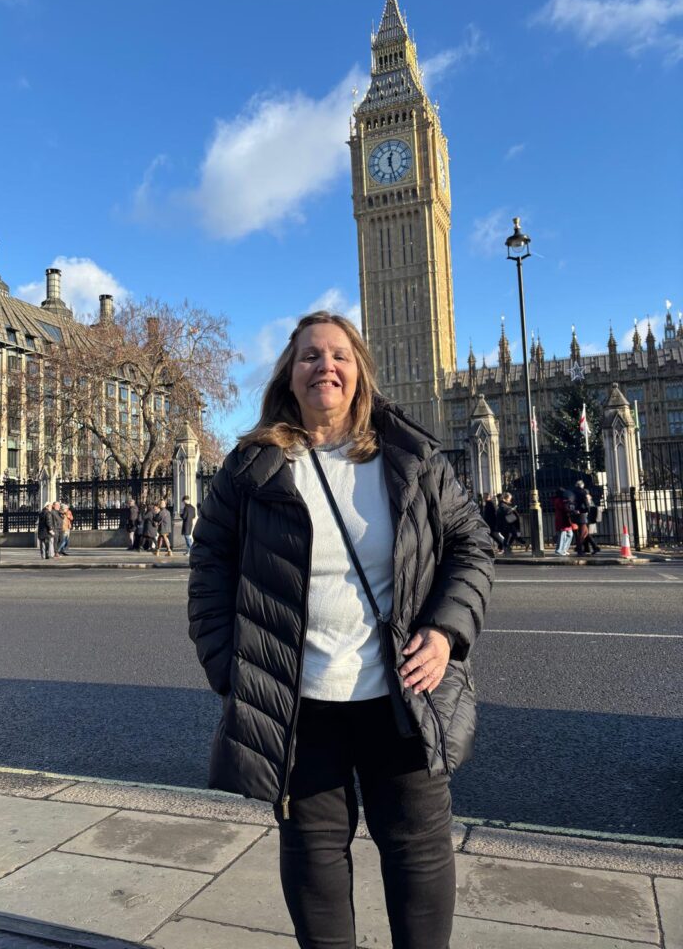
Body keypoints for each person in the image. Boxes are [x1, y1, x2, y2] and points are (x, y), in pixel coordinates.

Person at [188, 310, 494, 949]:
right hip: (300, 704)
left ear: (360, 375)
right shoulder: (251, 467)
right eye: (309, 356)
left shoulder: (409, 456)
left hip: (402, 696)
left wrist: (442, 633)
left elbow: (472, 546)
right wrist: (233, 670)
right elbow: (208, 566)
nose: (324, 365)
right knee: (314, 854)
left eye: (339, 355)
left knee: (417, 852)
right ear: (288, 377)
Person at [573, 480, 600, 556]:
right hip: (584, 513)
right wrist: (588, 511)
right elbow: (586, 503)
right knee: (584, 533)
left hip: (579, 513)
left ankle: (593, 547)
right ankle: (586, 549)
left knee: (584, 532)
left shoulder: (574, 492)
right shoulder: (583, 492)